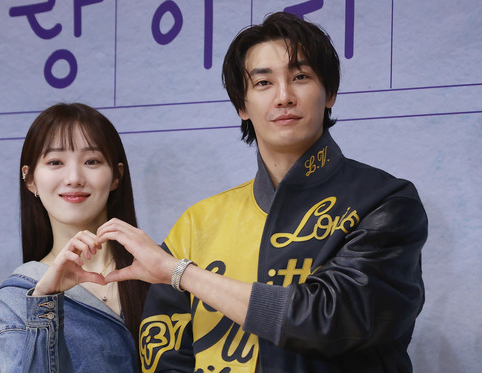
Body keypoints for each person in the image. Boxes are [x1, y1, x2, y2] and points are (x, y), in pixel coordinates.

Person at [96, 12, 428, 373]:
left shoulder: (385, 201)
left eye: (301, 77)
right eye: (264, 83)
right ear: (242, 106)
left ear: (329, 93)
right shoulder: (197, 223)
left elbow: (331, 319)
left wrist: (182, 273)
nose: (284, 97)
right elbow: (164, 354)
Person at [0, 103, 149, 372]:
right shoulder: (19, 294)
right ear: (30, 180)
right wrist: (45, 300)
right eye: (55, 162)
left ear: (116, 176)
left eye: (92, 161)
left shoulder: (156, 268)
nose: (74, 178)